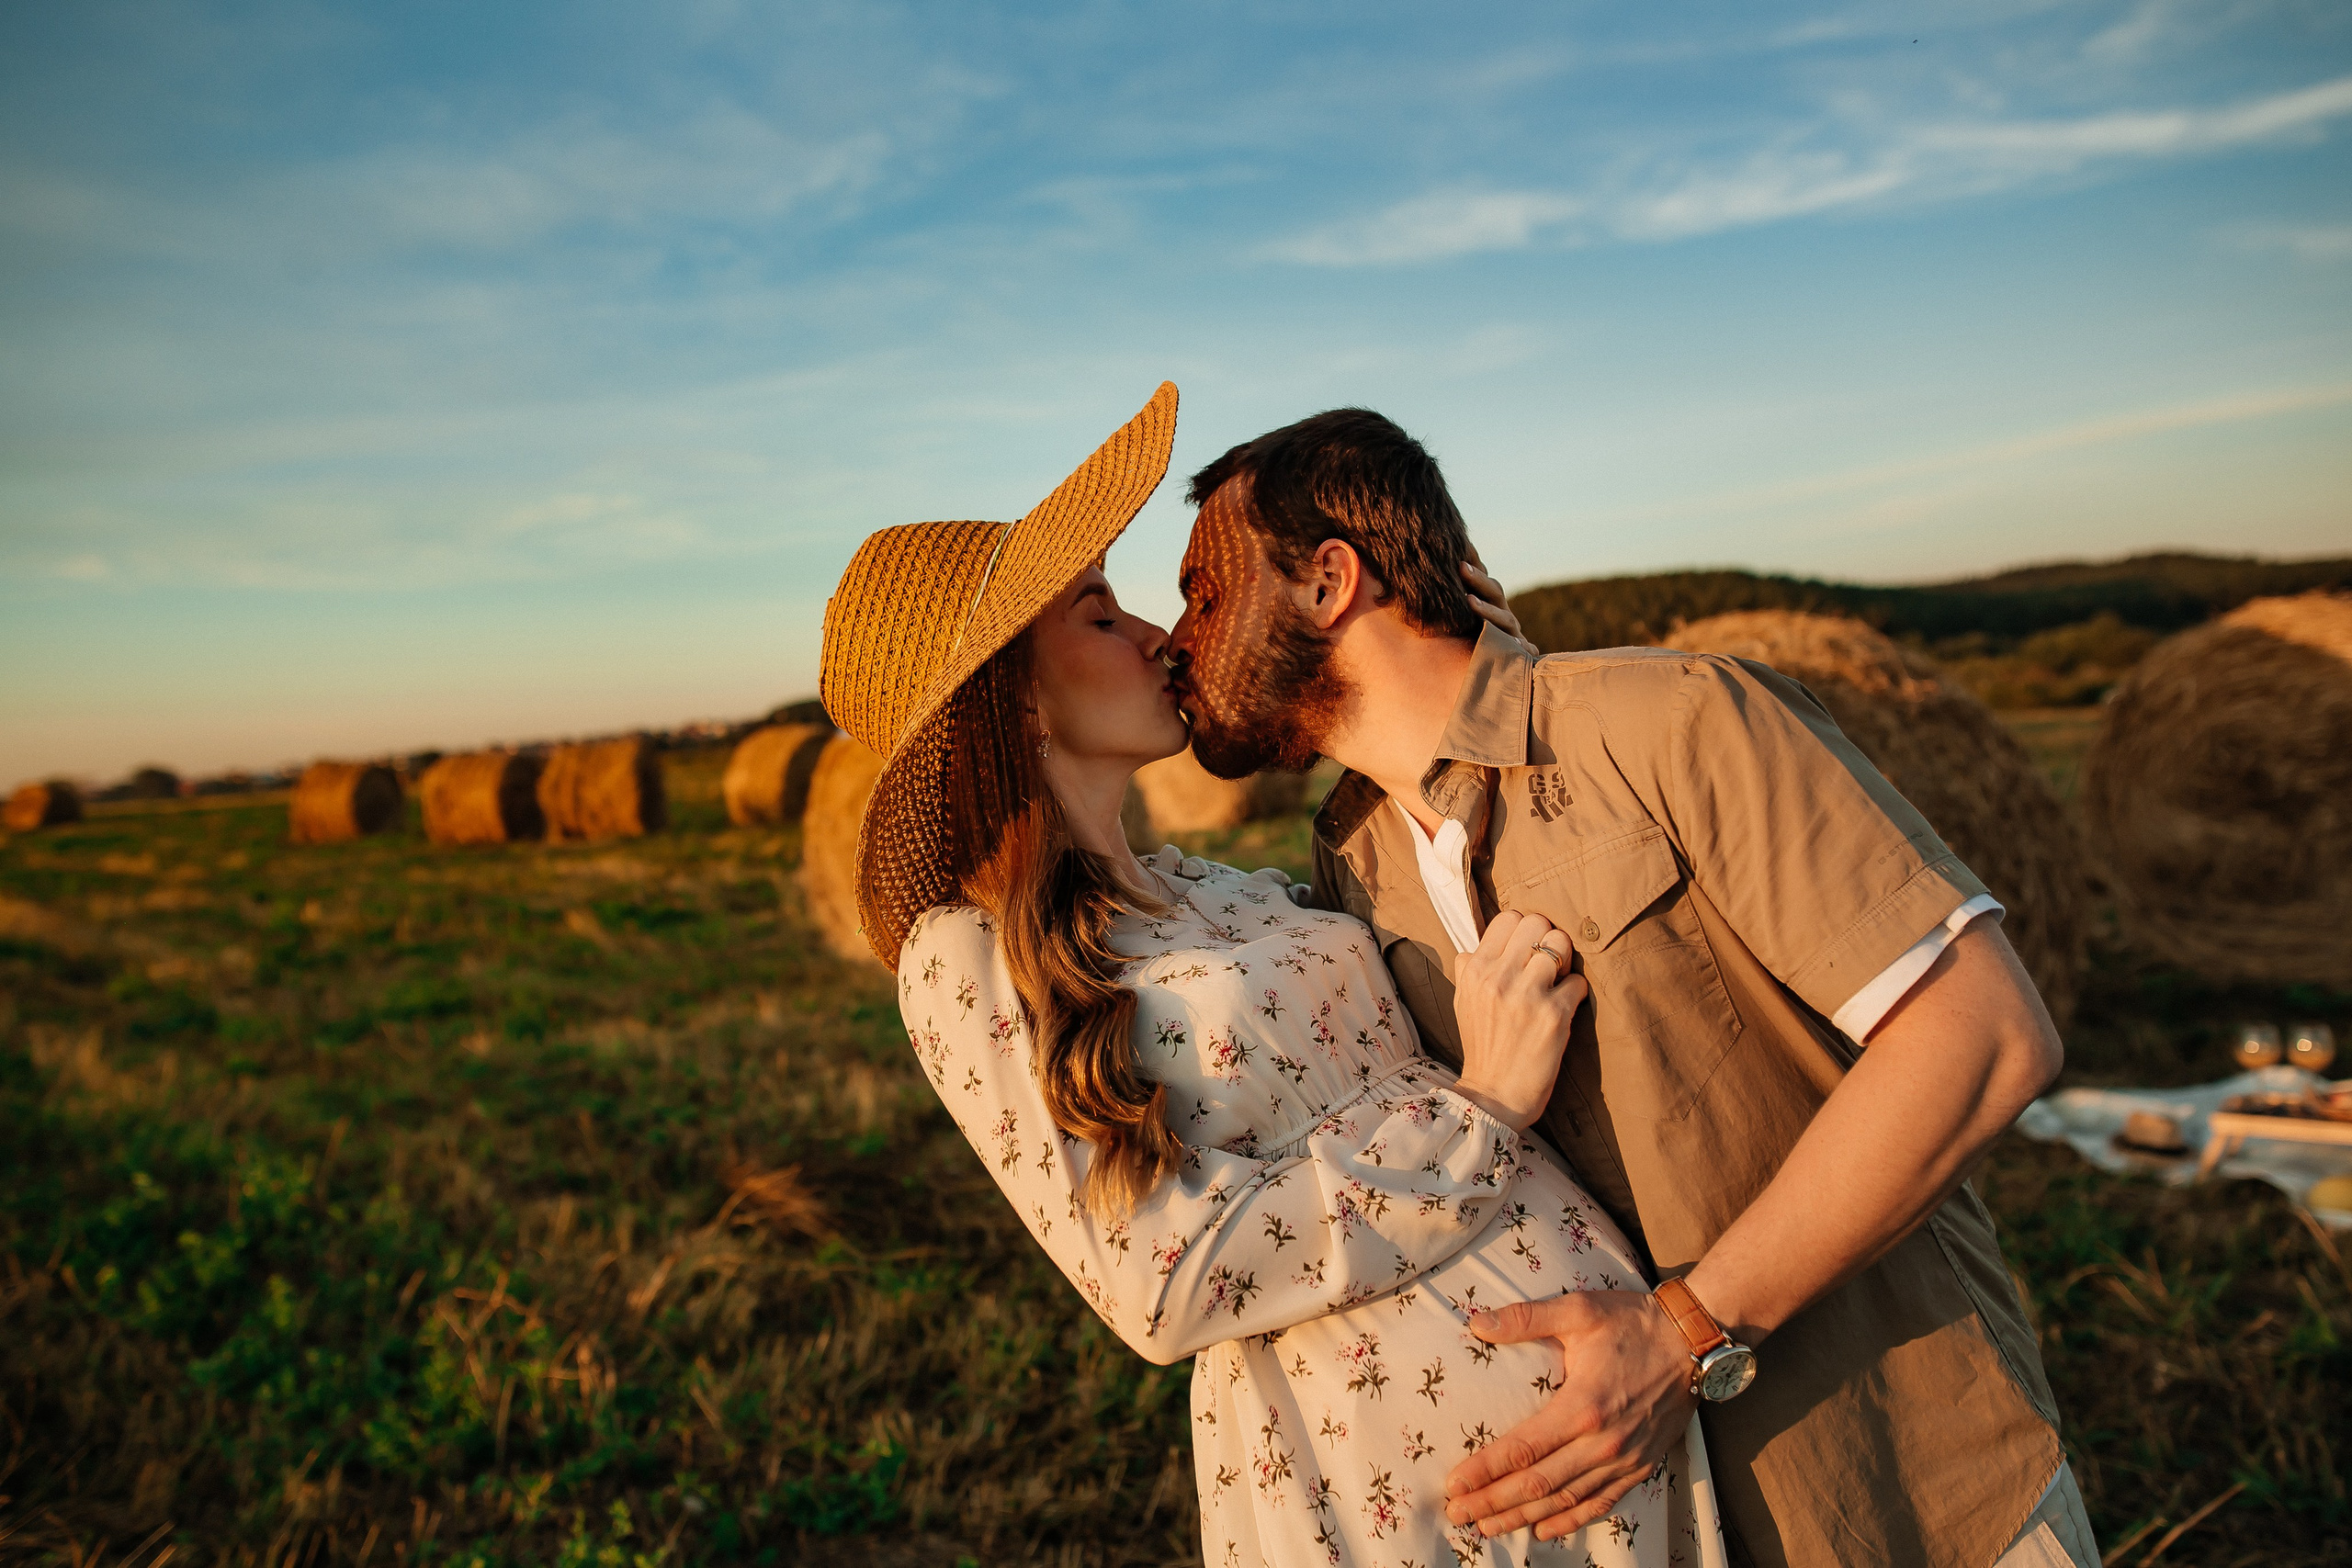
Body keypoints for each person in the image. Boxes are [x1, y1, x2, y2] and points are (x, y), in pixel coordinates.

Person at [1163, 408, 2097, 1568]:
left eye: (1205, 592)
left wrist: (1682, 1336)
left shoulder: (1675, 722)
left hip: (1904, 1485)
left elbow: (1984, 1035)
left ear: (1327, 583)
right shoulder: (1352, 856)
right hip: (1647, 1528)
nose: (1174, 636)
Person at [820, 383, 1732, 1566]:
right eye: (1100, 616)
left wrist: (1473, 674)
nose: (1161, 636)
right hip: (1402, 1481)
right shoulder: (964, 956)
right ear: (1019, 701)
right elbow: (1160, 1283)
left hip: (1601, 1408)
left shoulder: (1224, 889)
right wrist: (1481, 1111)